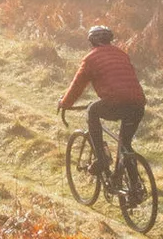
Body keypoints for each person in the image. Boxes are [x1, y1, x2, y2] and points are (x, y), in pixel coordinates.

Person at [58, 25, 147, 182]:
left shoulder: (91, 58)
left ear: (91, 42)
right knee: (125, 145)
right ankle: (135, 186)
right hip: (138, 104)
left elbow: (77, 86)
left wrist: (65, 103)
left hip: (115, 102)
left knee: (92, 110)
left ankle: (101, 158)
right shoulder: (122, 54)